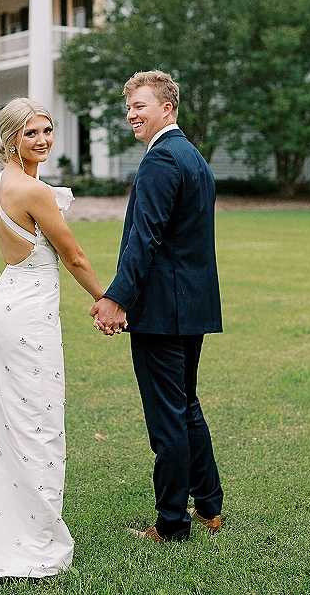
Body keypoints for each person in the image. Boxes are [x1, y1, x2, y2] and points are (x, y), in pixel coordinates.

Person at [0, 98, 106, 579]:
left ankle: (5, 525)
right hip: (26, 320)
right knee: (36, 425)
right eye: (30, 134)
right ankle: (29, 538)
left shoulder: (0, 185)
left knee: (9, 425)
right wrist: (110, 300)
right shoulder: (32, 191)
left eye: (47, 130)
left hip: (5, 307)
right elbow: (75, 255)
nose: (42, 140)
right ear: (10, 140)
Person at [91, 70, 223, 542]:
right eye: (128, 107)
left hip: (163, 311)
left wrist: (116, 298)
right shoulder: (192, 157)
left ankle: (172, 524)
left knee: (167, 418)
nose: (131, 114)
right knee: (185, 407)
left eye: (140, 106)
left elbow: (142, 241)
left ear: (167, 108)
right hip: (191, 307)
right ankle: (209, 507)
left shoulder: (162, 160)